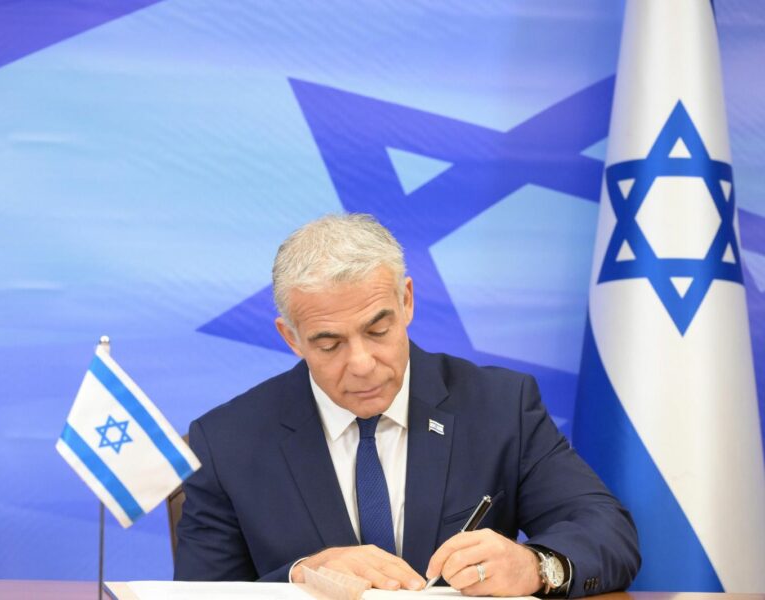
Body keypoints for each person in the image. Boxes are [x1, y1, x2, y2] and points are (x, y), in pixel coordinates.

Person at [175, 214, 640, 597]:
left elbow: (607, 531)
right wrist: (299, 575)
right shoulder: (226, 443)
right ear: (291, 338)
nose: (361, 363)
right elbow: (198, 593)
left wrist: (536, 566)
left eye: (378, 330)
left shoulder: (500, 407)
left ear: (407, 302)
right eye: (329, 343)